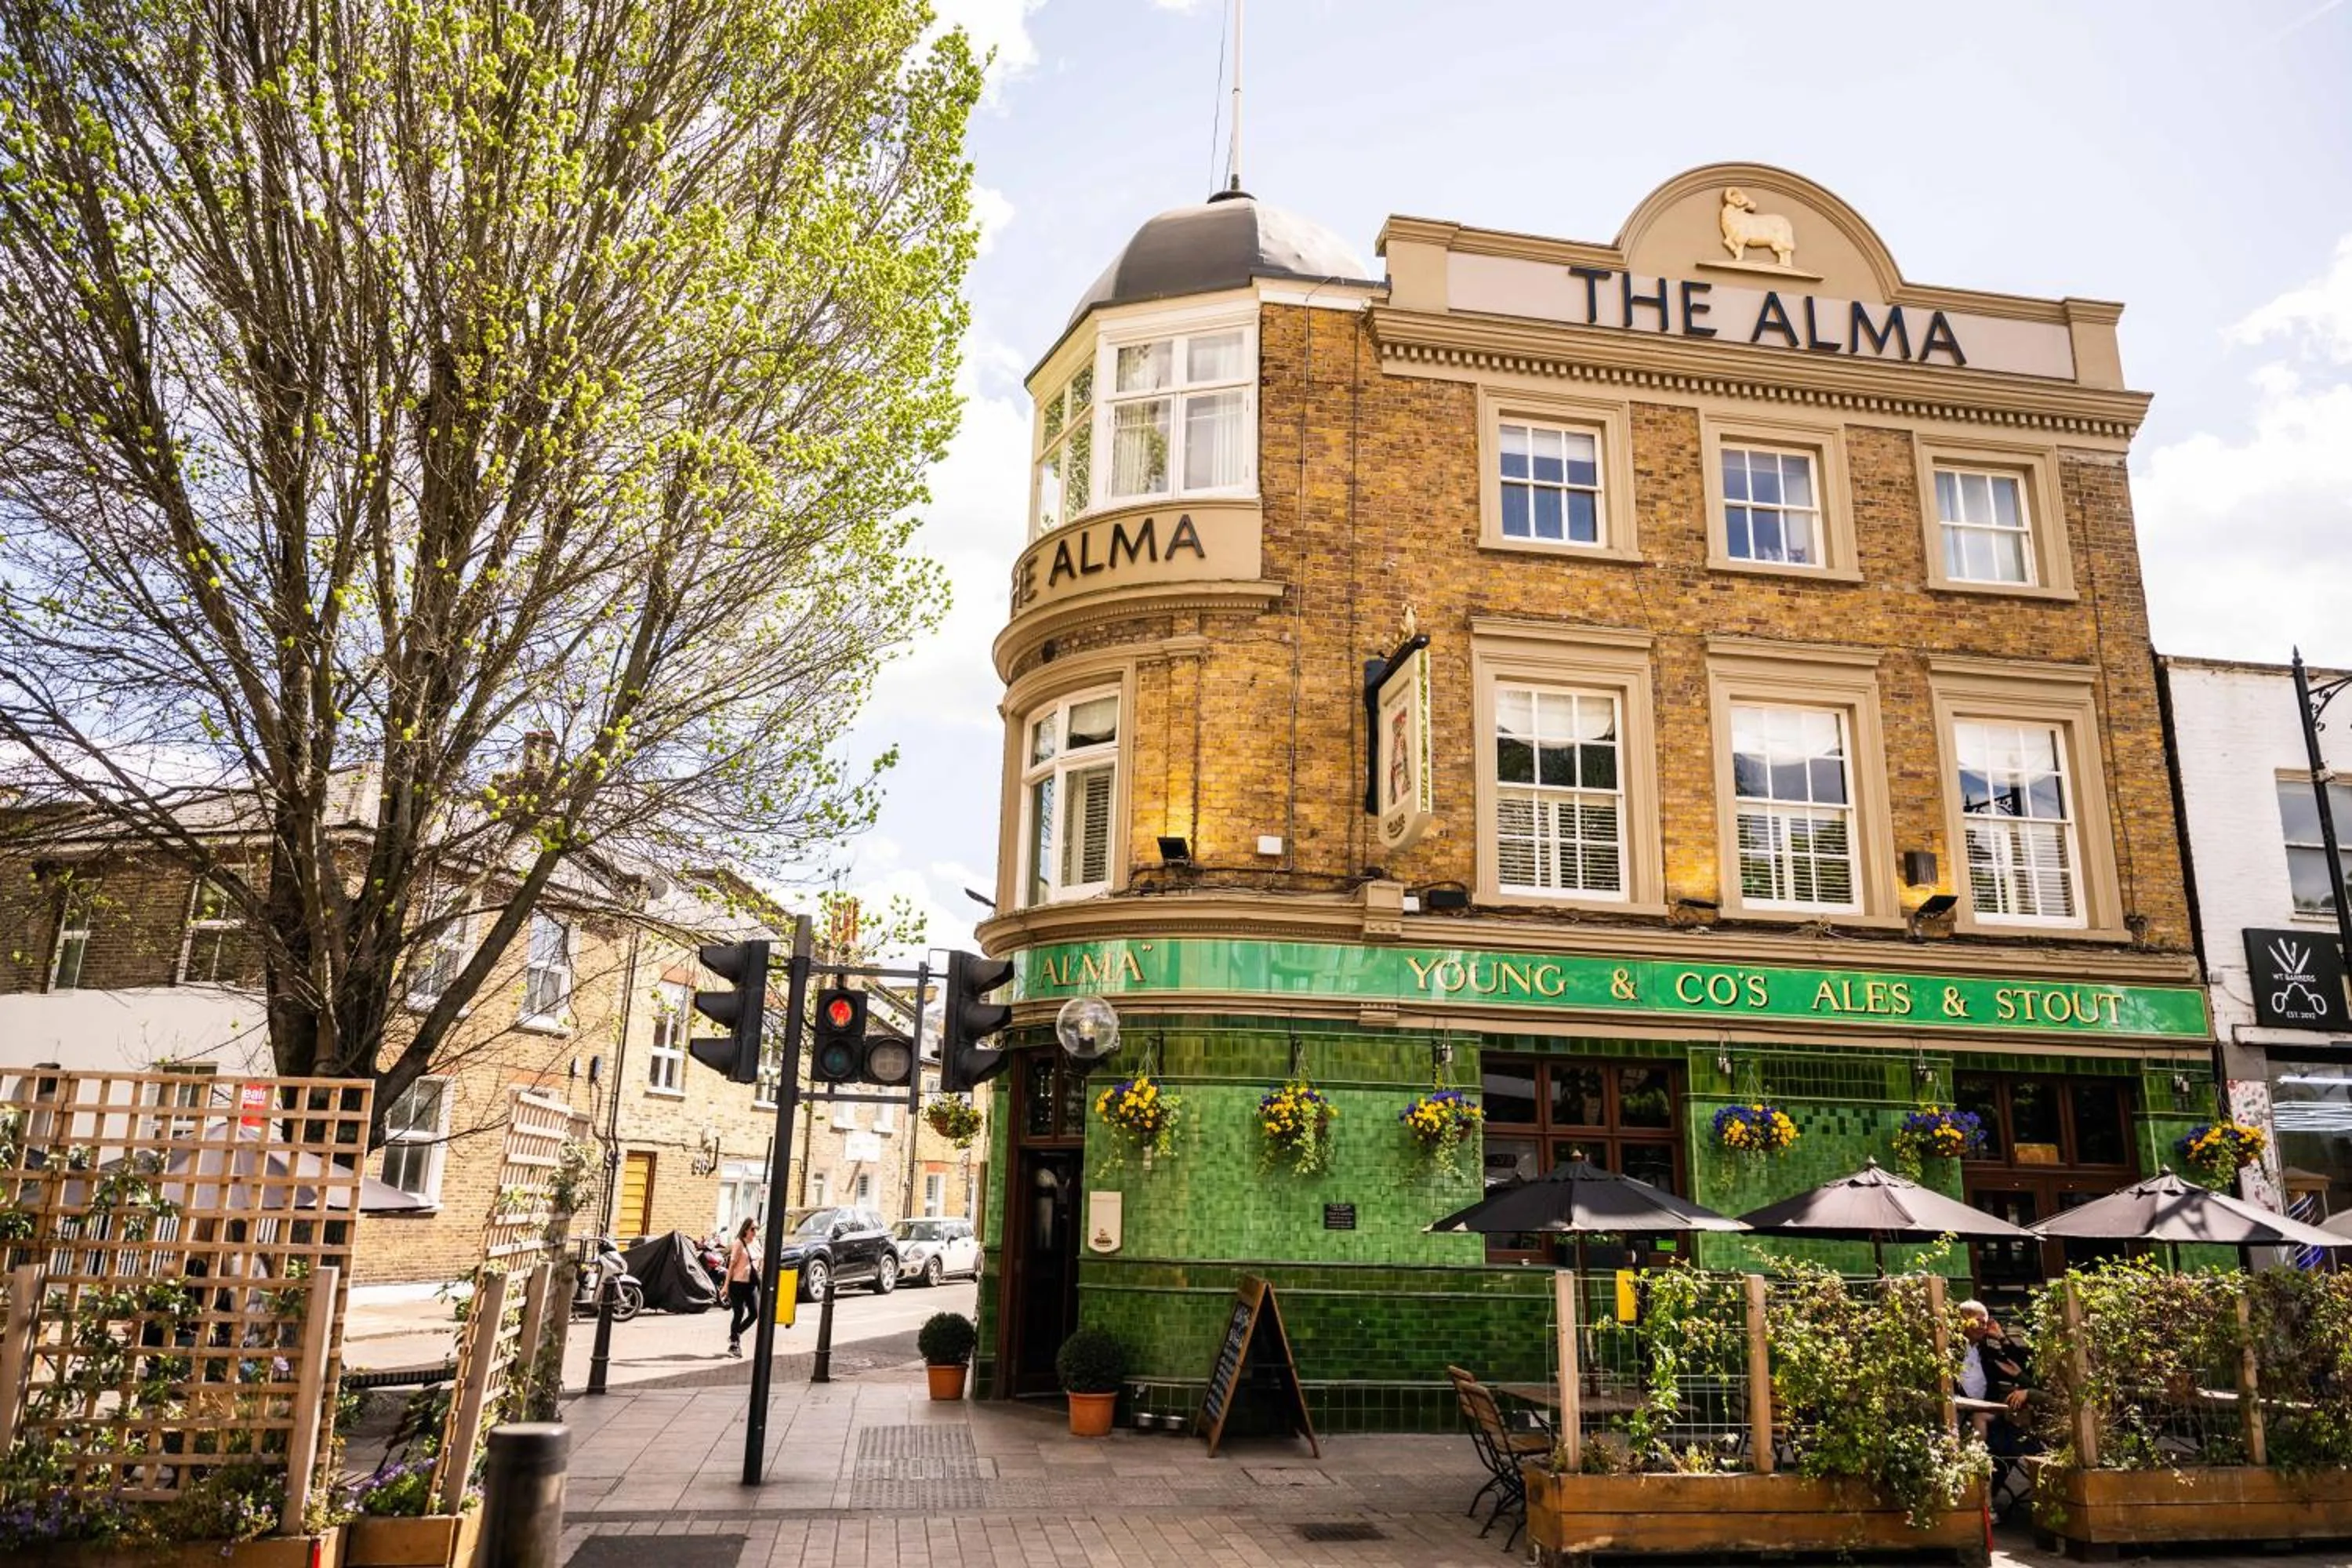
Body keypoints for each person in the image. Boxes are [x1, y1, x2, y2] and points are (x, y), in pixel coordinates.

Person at [725, 1218, 760, 1357]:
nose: (755, 1232)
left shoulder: (757, 1243)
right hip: (737, 1283)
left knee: (754, 1313)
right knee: (739, 1312)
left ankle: (735, 1334)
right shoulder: (739, 1244)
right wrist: (726, 1286)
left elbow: (760, 1261)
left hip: (751, 1284)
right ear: (746, 1229)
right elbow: (731, 1266)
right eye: (752, 1229)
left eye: (757, 1228)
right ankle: (735, 1344)